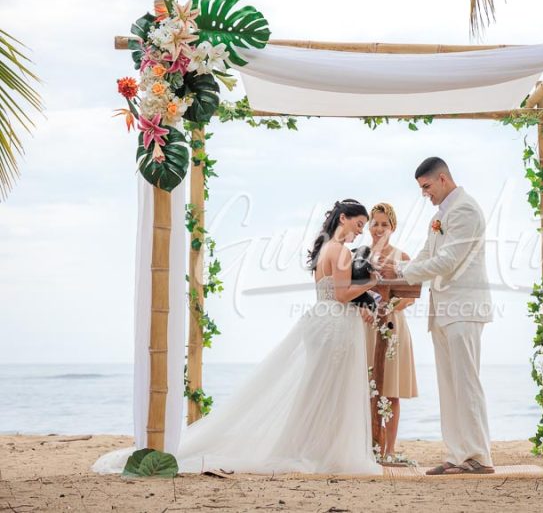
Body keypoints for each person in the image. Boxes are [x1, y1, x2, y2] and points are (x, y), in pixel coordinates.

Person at [93, 199, 382, 475]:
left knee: (316, 389)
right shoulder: (341, 252)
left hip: (320, 321)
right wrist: (371, 282)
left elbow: (331, 291)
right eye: (358, 224)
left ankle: (309, 447)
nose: (360, 231)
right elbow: (343, 294)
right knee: (331, 390)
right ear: (343, 218)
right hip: (334, 325)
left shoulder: (324, 250)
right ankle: (322, 451)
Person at [380, 157, 495, 475]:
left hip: (464, 308)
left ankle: (478, 456)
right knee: (449, 384)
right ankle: (458, 454)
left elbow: (447, 261)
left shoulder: (466, 210)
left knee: (466, 382)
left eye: (426, 187)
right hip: (444, 310)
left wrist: (400, 269)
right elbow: (427, 255)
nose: (424, 194)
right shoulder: (441, 215)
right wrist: (395, 272)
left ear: (443, 179)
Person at [364, 202, 418, 461]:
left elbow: (411, 297)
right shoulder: (360, 257)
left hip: (393, 326)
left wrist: (389, 306)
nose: (379, 228)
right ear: (368, 225)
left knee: (391, 389)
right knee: (366, 387)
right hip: (366, 328)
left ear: (393, 227)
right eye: (375, 223)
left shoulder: (402, 258)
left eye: (385, 224)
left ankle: (390, 449)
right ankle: (369, 445)